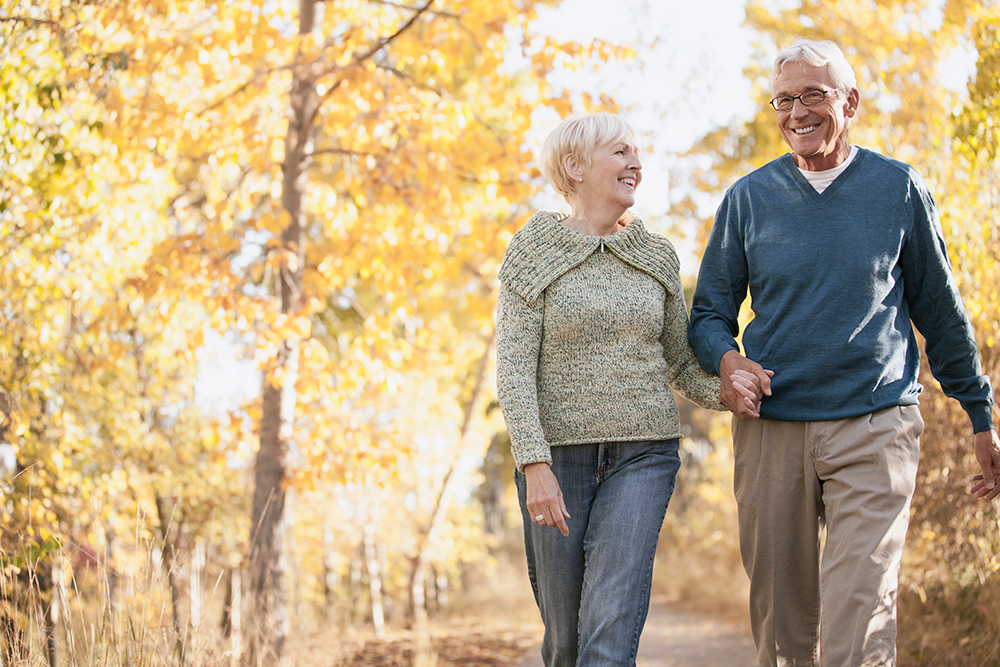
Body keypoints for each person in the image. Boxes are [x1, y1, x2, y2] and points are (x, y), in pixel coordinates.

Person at [688, 39, 1000, 667]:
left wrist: (981, 416)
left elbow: (940, 313)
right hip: (773, 427)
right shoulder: (749, 199)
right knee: (781, 632)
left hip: (875, 425)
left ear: (850, 102)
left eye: (813, 95)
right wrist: (727, 362)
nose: (796, 112)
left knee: (861, 618)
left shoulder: (897, 188)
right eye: (783, 100)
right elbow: (709, 315)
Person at [495, 111, 762, 667]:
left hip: (644, 455)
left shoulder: (655, 255)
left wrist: (729, 392)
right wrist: (533, 465)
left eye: (637, 152)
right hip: (557, 463)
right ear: (575, 165)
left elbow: (683, 367)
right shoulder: (532, 251)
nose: (636, 162)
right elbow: (514, 368)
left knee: (610, 630)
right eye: (620, 152)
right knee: (566, 642)